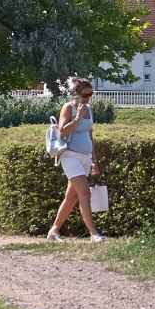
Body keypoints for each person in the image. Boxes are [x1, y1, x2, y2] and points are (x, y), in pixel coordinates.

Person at [47, 77, 104, 242]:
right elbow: (62, 132)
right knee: (84, 193)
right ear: (75, 94)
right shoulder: (68, 108)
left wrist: (94, 160)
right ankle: (94, 233)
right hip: (70, 156)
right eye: (85, 95)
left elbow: (90, 136)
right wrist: (78, 117)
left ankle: (54, 231)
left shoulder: (90, 109)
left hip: (85, 157)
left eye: (90, 94)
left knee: (71, 196)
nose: (88, 98)